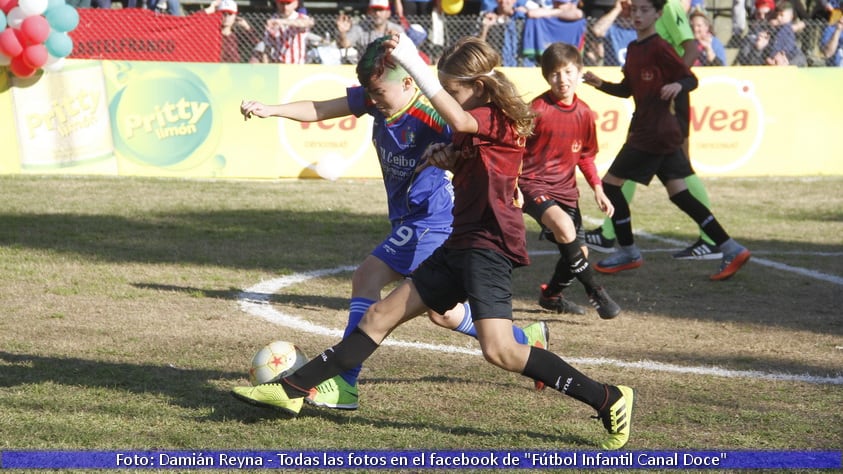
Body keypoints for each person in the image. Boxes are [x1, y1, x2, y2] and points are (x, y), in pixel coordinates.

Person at [232, 35, 635, 451]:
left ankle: (608, 397)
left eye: (453, 91)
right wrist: (449, 158)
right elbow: (467, 150)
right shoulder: (471, 119)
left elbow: (463, 124)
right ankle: (293, 390)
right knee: (378, 316)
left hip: (487, 245)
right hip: (459, 241)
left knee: (500, 351)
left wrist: (412, 62)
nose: (449, 100)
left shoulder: (495, 116)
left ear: (476, 86)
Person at [239, 37, 549, 409]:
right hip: (410, 220)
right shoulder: (376, 101)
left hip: (432, 220)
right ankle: (523, 339)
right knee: (443, 314)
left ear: (407, 83)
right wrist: (271, 109)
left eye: (379, 91)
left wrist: (517, 188)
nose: (374, 99)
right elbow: (321, 107)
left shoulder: (435, 114)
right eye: (370, 92)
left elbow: (489, 144)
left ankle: (345, 382)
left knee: (367, 277)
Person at [583, 0, 751, 281]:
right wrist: (600, 83)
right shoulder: (635, 49)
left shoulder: (660, 47)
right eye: (634, 10)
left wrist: (677, 85)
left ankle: (628, 251)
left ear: (658, 14)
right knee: (680, 194)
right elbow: (627, 90)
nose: (638, 15)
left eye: (644, 10)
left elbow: (691, 80)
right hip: (658, 133)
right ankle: (731, 247)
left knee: (610, 185)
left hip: (653, 133)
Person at [521, 42, 621, 319]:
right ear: (546, 76)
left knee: (580, 253)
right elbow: (516, 147)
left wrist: (598, 189)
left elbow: (586, 155)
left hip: (566, 190)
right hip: (532, 184)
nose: (562, 79)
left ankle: (551, 296)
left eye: (567, 72)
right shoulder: (537, 109)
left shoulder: (585, 113)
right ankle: (596, 293)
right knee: (565, 228)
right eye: (555, 74)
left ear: (579, 72)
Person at [336, 0, 404, 64]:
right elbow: (345, 44)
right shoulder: (360, 27)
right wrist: (342, 32)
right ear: (369, 12)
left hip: (389, 69)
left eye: (380, 10)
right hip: (366, 70)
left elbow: (405, 52)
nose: (377, 13)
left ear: (388, 13)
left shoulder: (397, 29)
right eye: (374, 10)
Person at [477, 0, 528, 66]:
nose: (503, 1)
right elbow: (478, 45)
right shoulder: (487, 17)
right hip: (496, 63)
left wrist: (527, 12)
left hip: (520, 65)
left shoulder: (522, 18)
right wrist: (485, 28)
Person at [588, 0, 637, 66]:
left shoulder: (639, 30)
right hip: (613, 72)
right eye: (625, 8)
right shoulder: (612, 28)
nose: (627, 12)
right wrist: (617, 9)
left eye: (631, 9)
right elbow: (597, 30)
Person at [765, 1, 808, 65]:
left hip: (786, 54)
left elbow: (789, 44)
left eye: (782, 15)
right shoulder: (778, 27)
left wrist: (782, 53)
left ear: (791, 17)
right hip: (776, 52)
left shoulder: (787, 28)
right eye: (777, 15)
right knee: (768, 59)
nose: (779, 18)